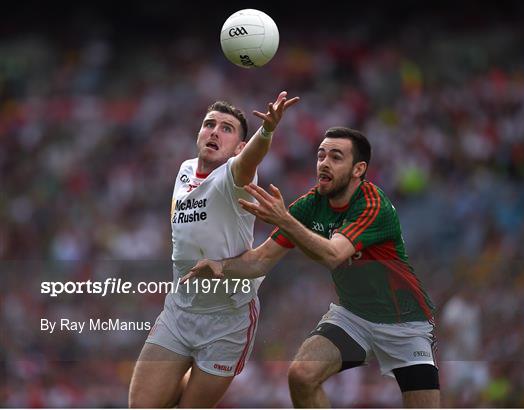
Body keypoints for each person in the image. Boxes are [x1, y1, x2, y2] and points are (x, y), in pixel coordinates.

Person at [183, 127, 440, 408]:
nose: (324, 163)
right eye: (321, 156)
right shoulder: (310, 205)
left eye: (336, 157)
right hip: (355, 316)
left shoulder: (373, 204)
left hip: (405, 322)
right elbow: (260, 260)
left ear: (358, 169)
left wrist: (285, 220)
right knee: (302, 375)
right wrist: (219, 266)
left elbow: (333, 255)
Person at [128, 91, 299, 408]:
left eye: (227, 128)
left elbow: (250, 160)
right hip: (179, 311)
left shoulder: (234, 176)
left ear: (239, 146)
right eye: (209, 124)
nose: (214, 132)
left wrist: (267, 131)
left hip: (227, 321)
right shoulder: (185, 168)